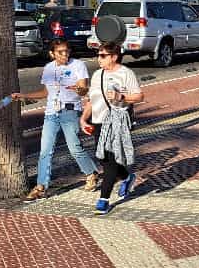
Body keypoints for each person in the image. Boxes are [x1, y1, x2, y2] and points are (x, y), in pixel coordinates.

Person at [14, 40, 99, 202]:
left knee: (74, 147)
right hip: (51, 113)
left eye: (67, 51)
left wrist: (79, 89)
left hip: (70, 111)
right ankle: (41, 187)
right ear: (52, 53)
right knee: (45, 150)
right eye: (60, 52)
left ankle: (91, 173)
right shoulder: (48, 68)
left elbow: (83, 89)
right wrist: (24, 95)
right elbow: (45, 92)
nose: (65, 54)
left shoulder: (77, 65)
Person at [79, 41, 145, 214]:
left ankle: (104, 199)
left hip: (118, 122)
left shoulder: (125, 73)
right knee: (102, 158)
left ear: (114, 57)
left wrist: (120, 96)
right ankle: (126, 176)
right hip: (99, 121)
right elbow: (92, 100)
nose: (98, 58)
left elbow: (139, 96)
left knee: (109, 161)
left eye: (103, 55)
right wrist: (84, 119)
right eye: (98, 55)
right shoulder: (97, 75)